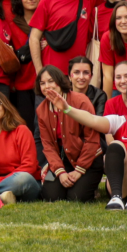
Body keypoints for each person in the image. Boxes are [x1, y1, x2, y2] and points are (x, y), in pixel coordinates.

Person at [45, 78, 127, 210]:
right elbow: (92, 119)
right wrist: (67, 108)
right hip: (126, 183)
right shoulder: (120, 120)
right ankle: (116, 198)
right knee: (115, 145)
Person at [31, 66, 102, 202]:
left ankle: (90, 186)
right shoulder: (41, 109)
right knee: (52, 196)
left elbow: (92, 140)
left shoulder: (80, 100)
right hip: (64, 160)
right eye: (42, 83)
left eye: (51, 81)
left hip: (88, 158)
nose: (47, 86)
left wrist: (79, 170)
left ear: (60, 81)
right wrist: (60, 172)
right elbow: (48, 145)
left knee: (77, 198)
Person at [27, 0, 92, 74]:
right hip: (52, 75)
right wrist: (39, 71)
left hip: (78, 77)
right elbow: (34, 38)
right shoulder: (47, 1)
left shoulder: (90, 1)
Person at [0, 89, 39, 204]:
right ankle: (2, 197)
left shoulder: (21, 130)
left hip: (23, 180)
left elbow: (29, 166)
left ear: (5, 106)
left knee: (23, 179)